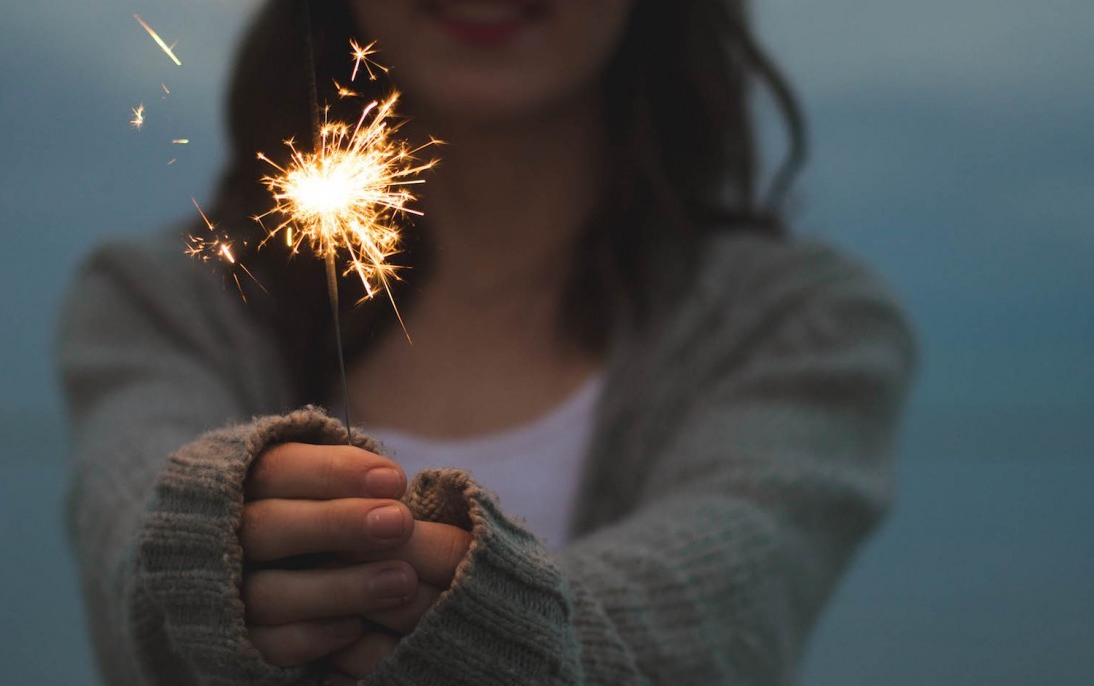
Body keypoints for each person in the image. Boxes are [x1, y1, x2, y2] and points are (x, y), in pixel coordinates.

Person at [56, 0, 917, 683]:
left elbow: (729, 607)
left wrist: (496, 621)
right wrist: (208, 549)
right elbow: (131, 537)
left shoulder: (798, 327)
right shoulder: (167, 301)